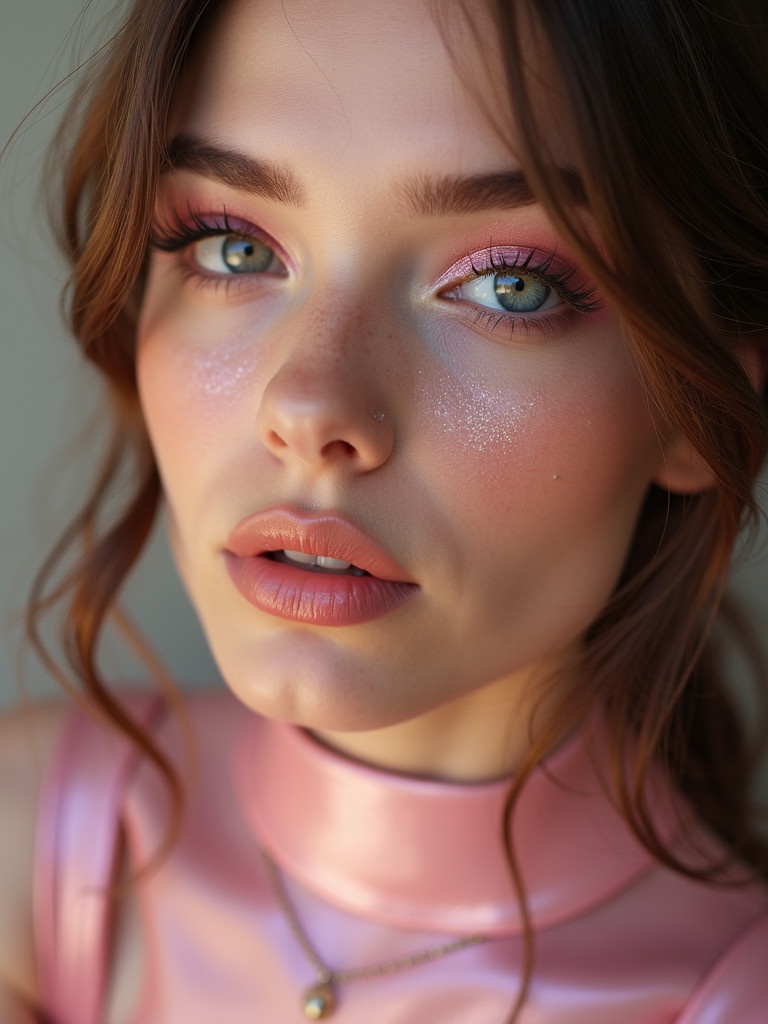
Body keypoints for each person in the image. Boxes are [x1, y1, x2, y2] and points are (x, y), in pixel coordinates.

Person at [1, 0, 767, 1020]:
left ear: (705, 402)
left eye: (507, 285)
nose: (309, 406)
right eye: (232, 246)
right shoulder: (34, 839)